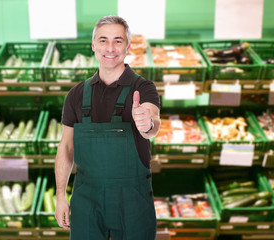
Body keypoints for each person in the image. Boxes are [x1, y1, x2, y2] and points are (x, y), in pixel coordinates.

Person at [55, 15, 160, 240]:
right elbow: (65, 148)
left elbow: (152, 123)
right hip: (86, 200)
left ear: (128, 46)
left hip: (133, 200)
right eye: (103, 40)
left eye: (118, 41)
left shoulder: (143, 88)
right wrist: (60, 195)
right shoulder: (76, 95)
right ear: (93, 46)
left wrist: (147, 123)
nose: (110, 48)